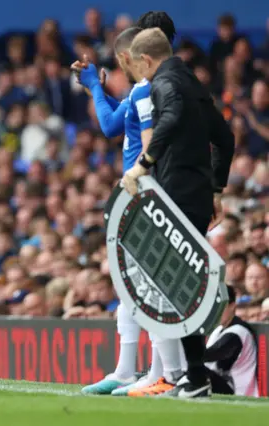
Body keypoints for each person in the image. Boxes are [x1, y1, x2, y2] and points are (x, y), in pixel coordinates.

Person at [76, 17, 186, 397]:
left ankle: (161, 374)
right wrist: (97, 87)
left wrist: (93, 86)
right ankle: (139, 371)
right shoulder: (154, 88)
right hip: (146, 190)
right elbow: (111, 126)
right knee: (134, 285)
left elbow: (113, 128)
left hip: (144, 191)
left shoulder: (145, 92)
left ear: (129, 56)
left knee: (148, 285)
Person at [123, 28, 235, 398]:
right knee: (182, 285)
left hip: (178, 196)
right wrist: (216, 187)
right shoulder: (194, 84)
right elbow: (225, 137)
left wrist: (144, 163)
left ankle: (196, 376)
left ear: (145, 60)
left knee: (178, 286)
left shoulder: (165, 83)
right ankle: (193, 374)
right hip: (198, 196)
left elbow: (168, 119)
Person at [205, 285, 259, 397]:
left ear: (232, 306)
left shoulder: (238, 331)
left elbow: (211, 355)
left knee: (194, 369)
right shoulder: (218, 329)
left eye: (220, 307)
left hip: (238, 391)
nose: (215, 312)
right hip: (221, 385)